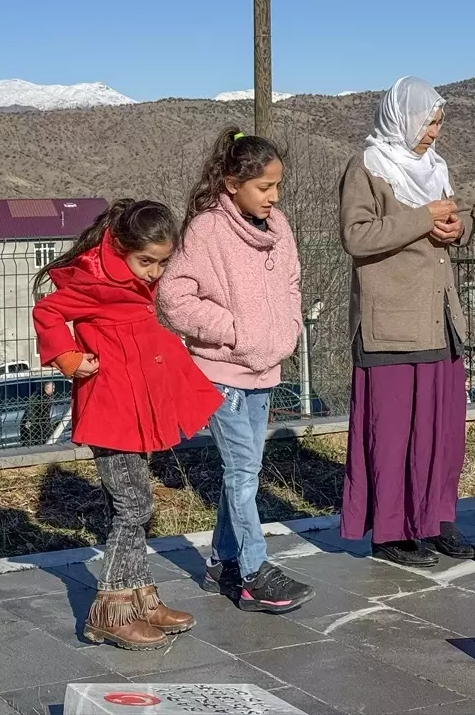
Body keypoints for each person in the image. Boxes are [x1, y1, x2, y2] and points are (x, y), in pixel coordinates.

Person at [33, 199, 222, 650]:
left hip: (134, 409)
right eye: (146, 262)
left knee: (138, 503)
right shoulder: (95, 280)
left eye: (161, 263)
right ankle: (111, 611)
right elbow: (48, 311)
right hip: (110, 411)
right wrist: (69, 358)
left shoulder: (133, 279)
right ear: (119, 246)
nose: (154, 273)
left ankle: (140, 597)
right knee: (132, 507)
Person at [158, 127, 315, 614]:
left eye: (277, 186)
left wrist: (285, 330)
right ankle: (253, 573)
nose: (274, 197)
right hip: (221, 371)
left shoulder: (280, 226)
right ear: (231, 183)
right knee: (243, 470)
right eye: (264, 187)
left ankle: (223, 561)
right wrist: (235, 329)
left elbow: (291, 282)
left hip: (264, 369)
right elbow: (173, 296)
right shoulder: (207, 230)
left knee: (244, 470)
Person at [338, 76, 475, 567]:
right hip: (392, 322)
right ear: (403, 119)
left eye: (439, 123)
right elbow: (357, 236)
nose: (434, 133)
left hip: (440, 318)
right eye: (429, 122)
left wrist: (461, 227)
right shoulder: (369, 166)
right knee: (393, 430)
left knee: (441, 431)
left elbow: (456, 218)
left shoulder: (434, 167)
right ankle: (393, 532)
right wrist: (422, 218)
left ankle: (436, 518)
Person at [20, 381, 59, 446]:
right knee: (34, 441)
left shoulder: (47, 396)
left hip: (42, 423)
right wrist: (29, 420)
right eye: (53, 389)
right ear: (48, 388)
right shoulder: (39, 396)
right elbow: (31, 410)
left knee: (45, 440)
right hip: (35, 423)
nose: (54, 391)